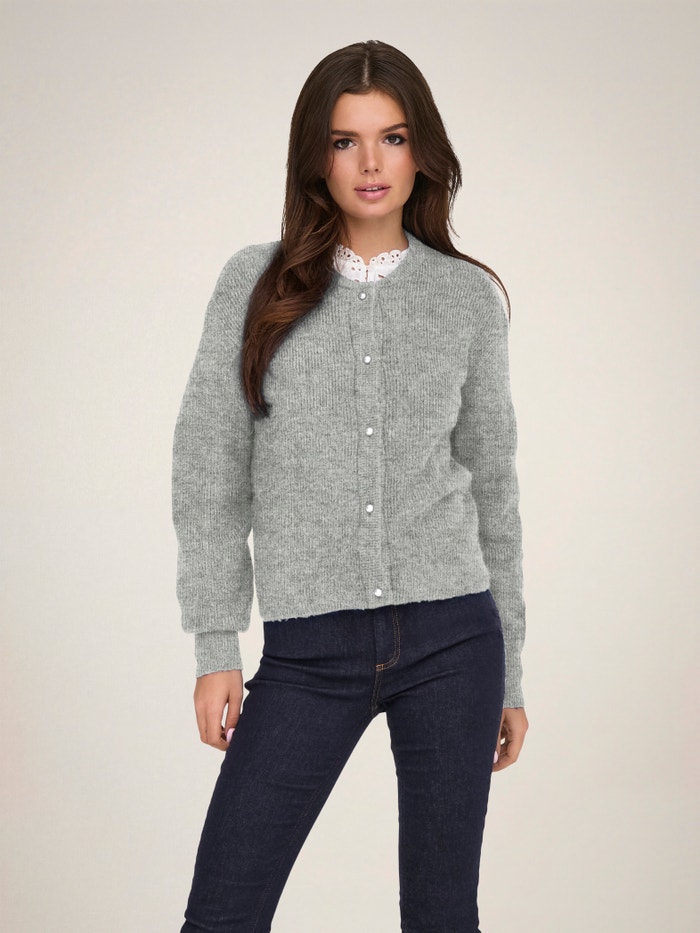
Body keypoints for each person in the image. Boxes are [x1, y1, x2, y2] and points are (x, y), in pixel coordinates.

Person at [172, 38, 528, 933]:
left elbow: (494, 489)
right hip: (308, 650)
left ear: (422, 151)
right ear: (316, 157)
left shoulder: (467, 300)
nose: (371, 163)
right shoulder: (254, 285)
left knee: (442, 916)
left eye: (392, 137)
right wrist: (216, 640)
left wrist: (512, 672)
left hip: (455, 641)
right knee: (222, 912)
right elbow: (210, 466)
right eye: (345, 141)